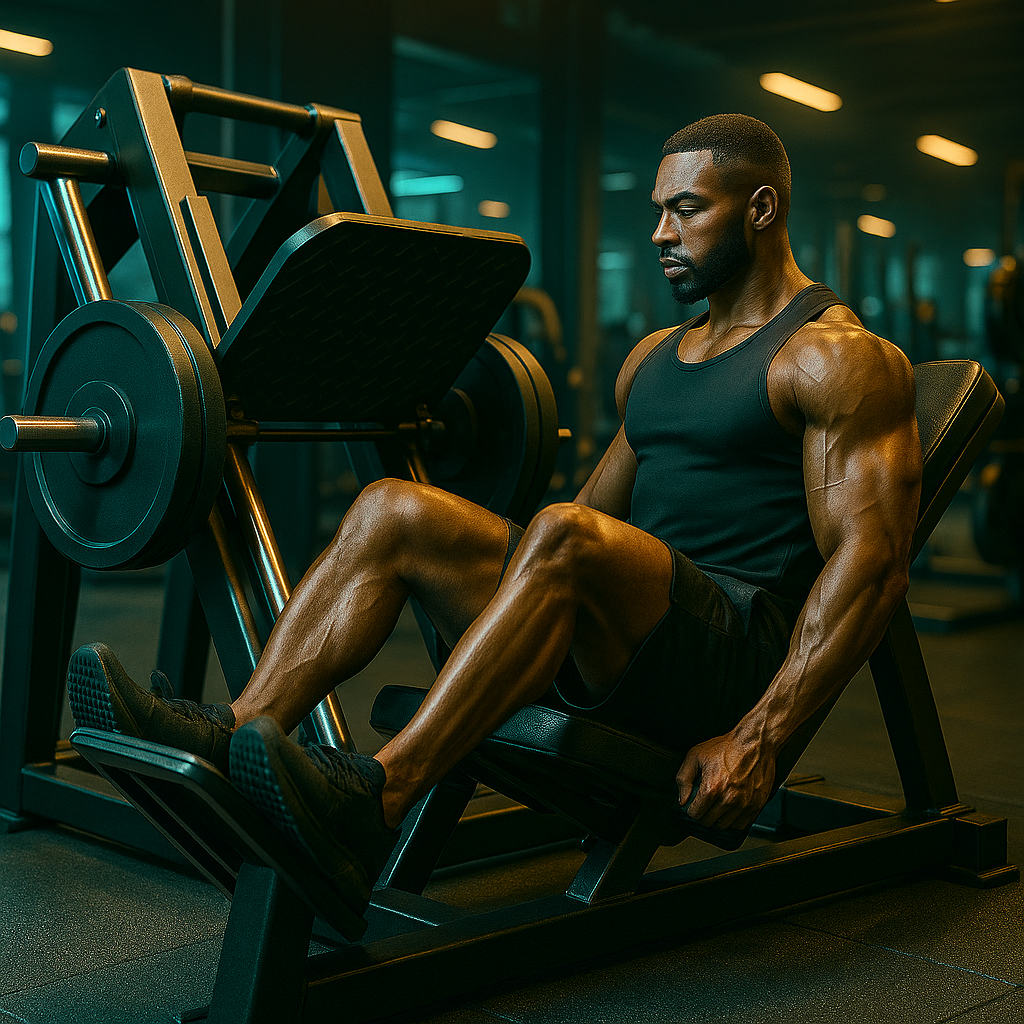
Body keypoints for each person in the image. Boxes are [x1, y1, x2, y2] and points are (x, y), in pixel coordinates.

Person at [68, 113, 922, 923]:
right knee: (392, 508)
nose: (661, 232)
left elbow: (871, 568)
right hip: (626, 637)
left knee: (563, 534)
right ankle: (235, 733)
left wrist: (758, 739)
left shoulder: (834, 358)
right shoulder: (653, 361)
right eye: (658, 210)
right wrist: (492, 610)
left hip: (725, 659)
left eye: (687, 210)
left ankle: (379, 799)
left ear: (762, 208)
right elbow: (591, 517)